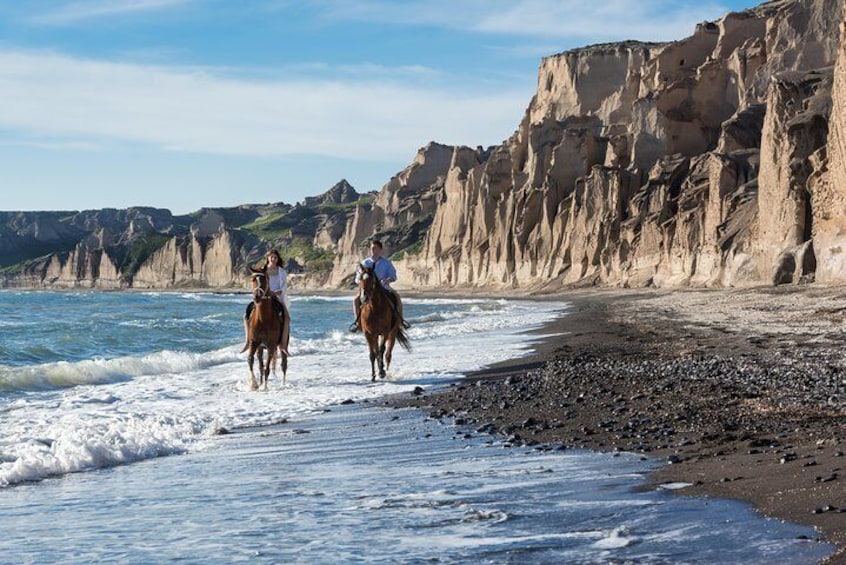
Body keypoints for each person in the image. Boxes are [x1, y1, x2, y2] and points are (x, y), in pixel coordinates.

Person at [349, 239, 411, 333]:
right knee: (355, 300)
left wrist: (388, 280)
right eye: (371, 248)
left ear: (380, 250)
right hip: (368, 289)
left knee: (397, 297)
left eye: (375, 248)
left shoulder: (386, 263)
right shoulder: (364, 263)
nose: (372, 250)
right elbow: (357, 278)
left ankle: (401, 321)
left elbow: (393, 276)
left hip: (383, 288)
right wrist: (362, 282)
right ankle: (358, 323)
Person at [242, 249, 290, 354]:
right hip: (261, 298)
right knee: (245, 315)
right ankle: (247, 341)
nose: (273, 259)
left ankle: (283, 345)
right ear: (268, 258)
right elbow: (256, 283)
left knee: (287, 318)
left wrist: (273, 293)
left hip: (277, 298)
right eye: (271, 257)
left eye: (275, 257)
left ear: (278, 259)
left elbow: (283, 288)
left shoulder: (281, 272)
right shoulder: (262, 270)